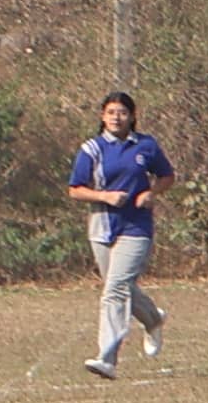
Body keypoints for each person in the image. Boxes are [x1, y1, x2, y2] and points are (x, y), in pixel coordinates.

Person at [62, 92, 171, 379]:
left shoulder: (145, 145)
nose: (116, 117)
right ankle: (153, 318)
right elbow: (75, 189)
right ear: (102, 116)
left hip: (136, 228)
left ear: (132, 116)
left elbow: (167, 176)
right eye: (111, 112)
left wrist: (151, 193)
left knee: (114, 290)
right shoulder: (91, 149)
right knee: (120, 287)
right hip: (102, 228)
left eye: (122, 112)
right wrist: (104, 196)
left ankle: (107, 358)